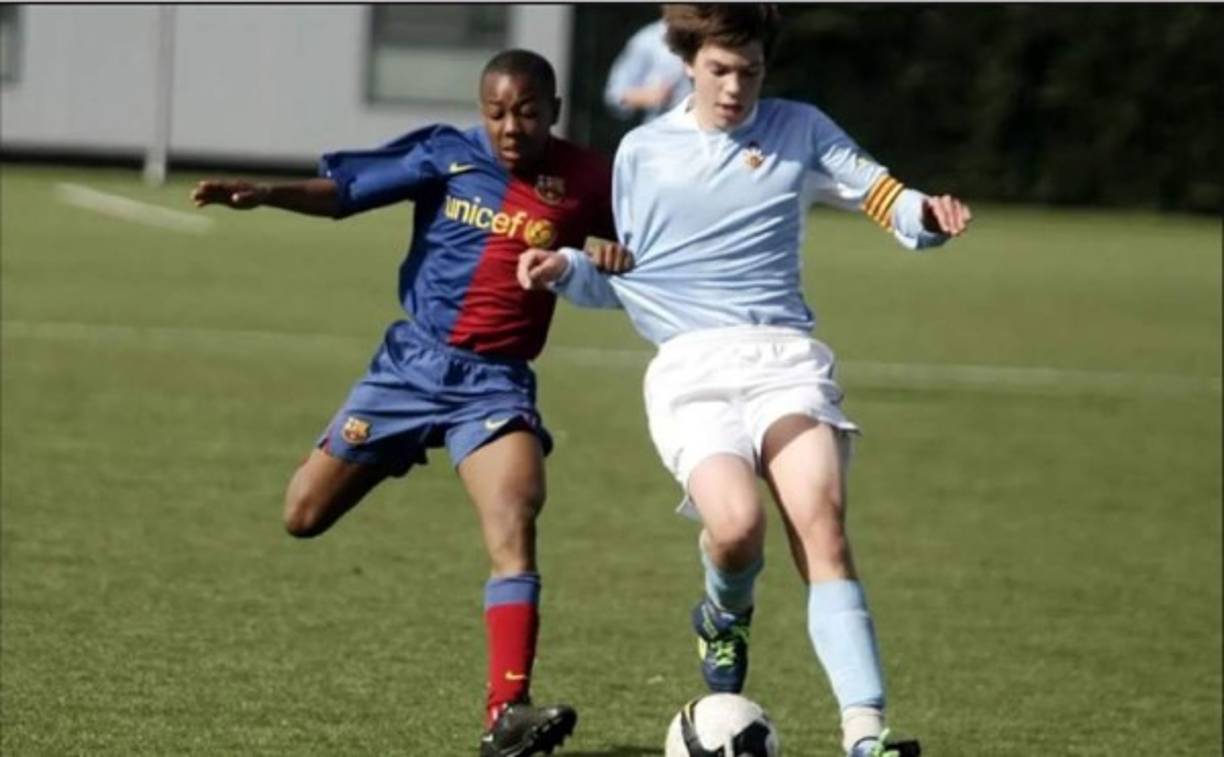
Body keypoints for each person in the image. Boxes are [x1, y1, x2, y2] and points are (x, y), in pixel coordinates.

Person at [519, 6, 971, 756]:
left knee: (820, 521)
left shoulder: (800, 128)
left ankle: (865, 731)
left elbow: (886, 198)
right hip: (690, 369)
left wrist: (931, 216)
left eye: (750, 73)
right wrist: (564, 268)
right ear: (686, 64)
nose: (735, 88)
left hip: (784, 361)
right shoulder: (643, 153)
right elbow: (629, 278)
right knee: (734, 529)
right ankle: (725, 615)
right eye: (720, 71)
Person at [192, 49, 631, 757]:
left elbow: (650, 240)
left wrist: (619, 255)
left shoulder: (590, 178)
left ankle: (506, 713)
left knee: (516, 514)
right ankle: (391, 446)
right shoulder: (445, 154)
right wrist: (267, 192)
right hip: (410, 369)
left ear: (553, 110)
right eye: (496, 112)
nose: (510, 127)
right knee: (302, 513)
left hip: (494, 383)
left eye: (526, 112)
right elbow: (345, 192)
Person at [603, 15, 692, 123]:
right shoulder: (648, 39)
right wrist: (648, 96)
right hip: (662, 126)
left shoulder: (707, 37)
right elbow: (615, 95)